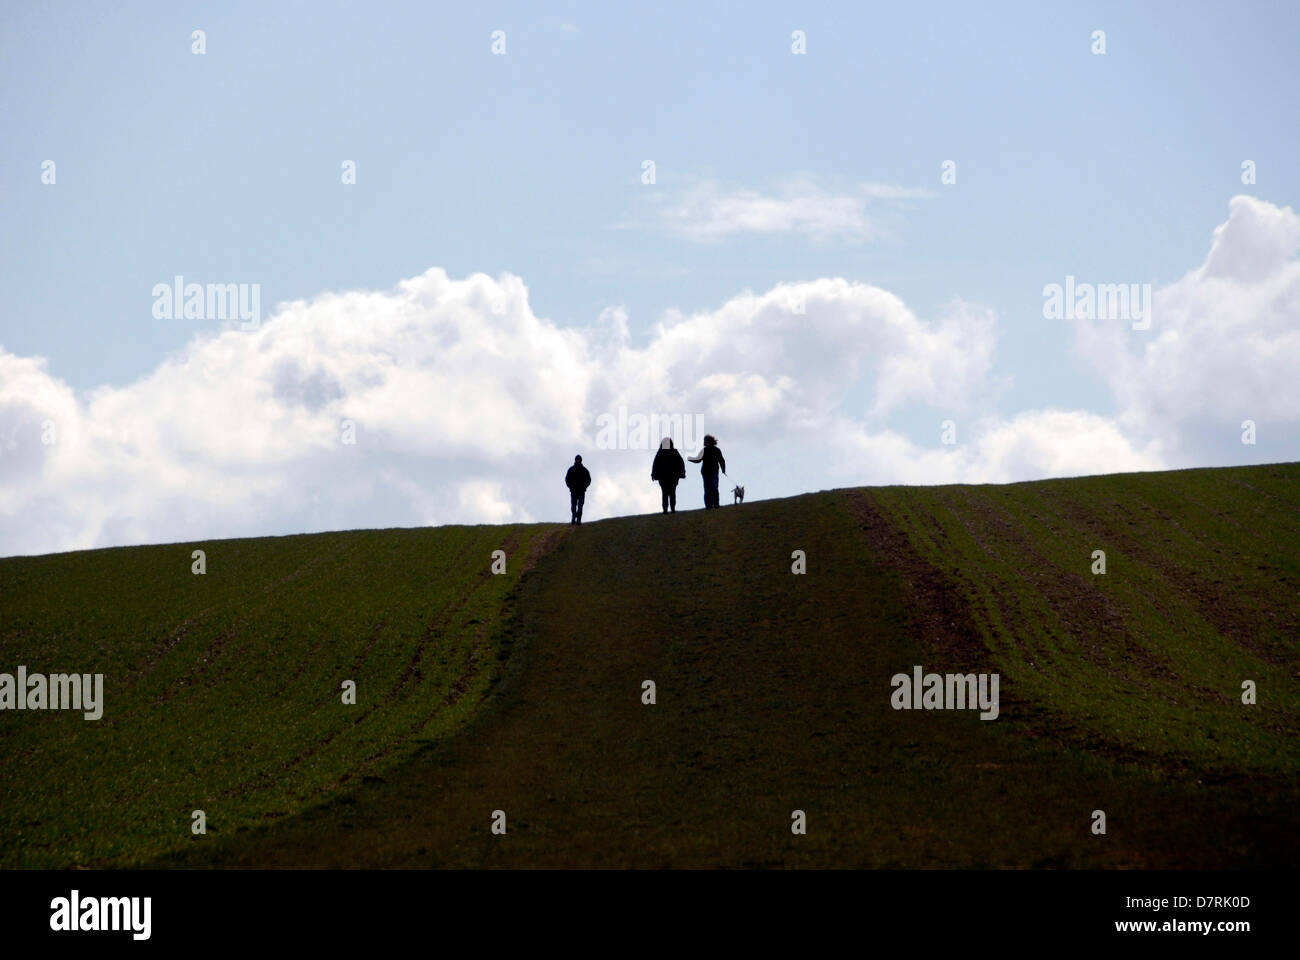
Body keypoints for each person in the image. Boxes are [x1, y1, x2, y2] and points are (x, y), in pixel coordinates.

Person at [687, 434, 726, 509]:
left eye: (705, 441)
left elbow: (721, 460)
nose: (704, 442)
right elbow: (698, 460)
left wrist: (723, 469)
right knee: (708, 489)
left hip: (713, 472)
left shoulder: (716, 450)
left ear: (710, 441)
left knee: (713, 488)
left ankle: (715, 504)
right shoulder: (705, 450)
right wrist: (690, 458)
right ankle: (709, 505)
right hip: (706, 472)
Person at [650, 437, 686, 513]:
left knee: (665, 493)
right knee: (672, 493)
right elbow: (681, 463)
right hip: (672, 477)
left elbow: (655, 465)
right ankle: (672, 509)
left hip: (664, 477)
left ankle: (666, 510)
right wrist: (682, 473)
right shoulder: (674, 452)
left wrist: (653, 474)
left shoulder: (660, 453)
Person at [564, 455, 591, 524]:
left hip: (581, 491)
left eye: (579, 459)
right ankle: (573, 517)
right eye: (577, 459)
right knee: (573, 505)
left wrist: (584, 487)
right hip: (573, 491)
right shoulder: (571, 469)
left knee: (580, 505)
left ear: (581, 460)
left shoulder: (584, 470)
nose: (578, 460)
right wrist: (570, 486)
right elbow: (567, 479)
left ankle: (578, 520)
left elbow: (589, 480)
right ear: (575, 460)